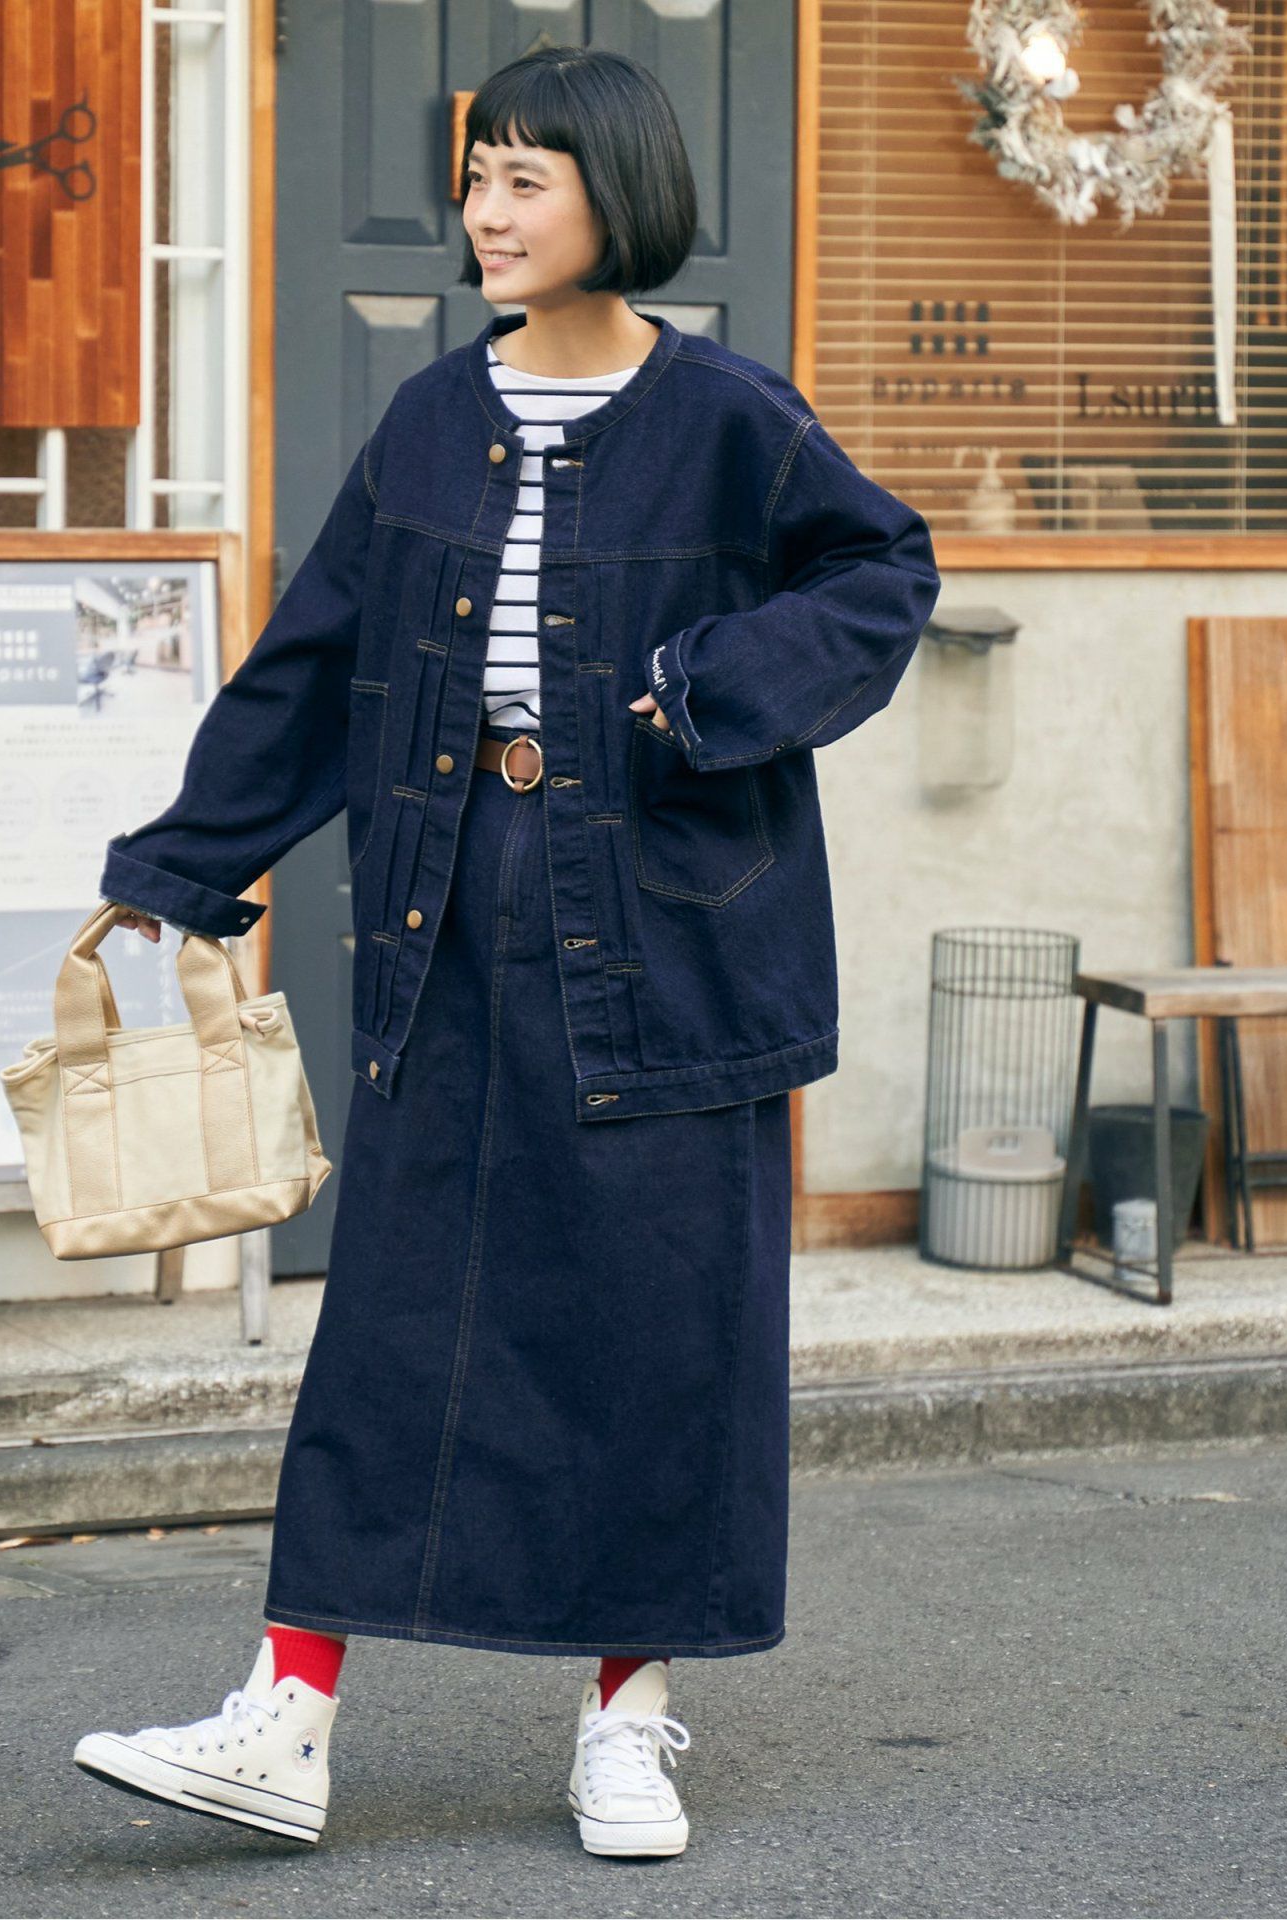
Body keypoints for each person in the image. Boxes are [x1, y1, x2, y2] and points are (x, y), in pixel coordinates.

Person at [73, 45, 938, 1860]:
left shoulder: (732, 417)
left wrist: (709, 689)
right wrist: (183, 863)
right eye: (476, 176)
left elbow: (881, 576)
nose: (485, 210)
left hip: (671, 937)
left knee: (660, 1333)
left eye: (526, 178)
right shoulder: (427, 420)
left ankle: (627, 1722)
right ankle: (287, 1714)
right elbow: (318, 664)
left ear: (619, 193)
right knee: (393, 1321)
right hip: (449, 910)